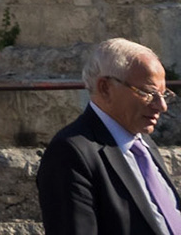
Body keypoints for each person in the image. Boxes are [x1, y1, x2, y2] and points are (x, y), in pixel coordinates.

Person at [38, 37, 179, 235]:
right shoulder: (71, 154)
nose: (161, 106)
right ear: (105, 88)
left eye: (164, 95)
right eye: (148, 93)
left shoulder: (143, 142)